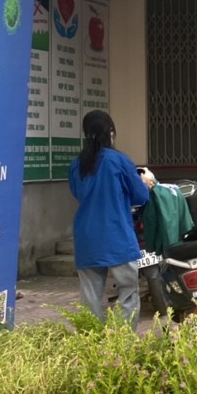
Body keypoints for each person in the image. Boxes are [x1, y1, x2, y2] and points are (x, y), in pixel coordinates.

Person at [69, 110, 155, 326]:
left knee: (89, 298)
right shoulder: (119, 161)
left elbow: (77, 193)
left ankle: (92, 341)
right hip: (117, 236)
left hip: (86, 238)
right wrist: (144, 182)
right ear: (111, 133)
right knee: (128, 293)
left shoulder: (77, 164)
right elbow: (140, 196)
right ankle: (123, 341)